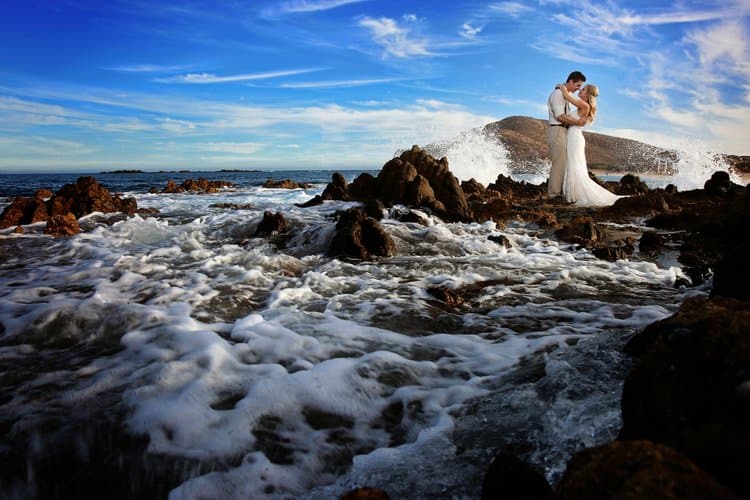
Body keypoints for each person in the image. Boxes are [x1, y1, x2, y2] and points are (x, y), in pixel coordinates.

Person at [558, 83, 622, 206]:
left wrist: (561, 87)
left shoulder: (584, 105)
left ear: (587, 95)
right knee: (572, 163)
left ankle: (573, 194)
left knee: (574, 164)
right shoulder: (582, 106)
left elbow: (566, 96)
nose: (580, 90)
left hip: (575, 138)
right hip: (572, 137)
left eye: (583, 89)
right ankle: (571, 193)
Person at [547, 71, 586, 196]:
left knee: (563, 162)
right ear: (570, 81)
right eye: (578, 85)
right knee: (559, 162)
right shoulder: (558, 94)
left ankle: (560, 191)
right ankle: (554, 193)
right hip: (558, 129)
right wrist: (577, 122)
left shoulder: (565, 94)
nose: (578, 88)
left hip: (564, 131)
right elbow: (560, 116)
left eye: (581, 87)